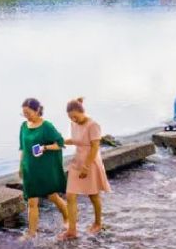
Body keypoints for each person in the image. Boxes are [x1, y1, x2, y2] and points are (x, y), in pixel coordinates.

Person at [18, 98, 69, 241]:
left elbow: (60, 143)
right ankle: (32, 232)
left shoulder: (46, 126)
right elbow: (23, 148)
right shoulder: (23, 126)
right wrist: (21, 166)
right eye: (24, 114)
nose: (26, 116)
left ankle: (67, 218)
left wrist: (44, 147)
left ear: (37, 110)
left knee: (53, 196)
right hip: (30, 169)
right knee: (32, 202)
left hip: (44, 169)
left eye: (28, 113)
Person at [61, 98, 111, 240]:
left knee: (93, 195)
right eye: (70, 117)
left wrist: (87, 166)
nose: (73, 119)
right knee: (70, 195)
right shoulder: (74, 124)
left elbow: (95, 147)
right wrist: (60, 140)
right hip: (77, 161)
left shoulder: (93, 125)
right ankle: (72, 230)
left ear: (82, 111)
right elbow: (76, 140)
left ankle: (98, 223)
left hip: (91, 162)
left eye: (75, 116)